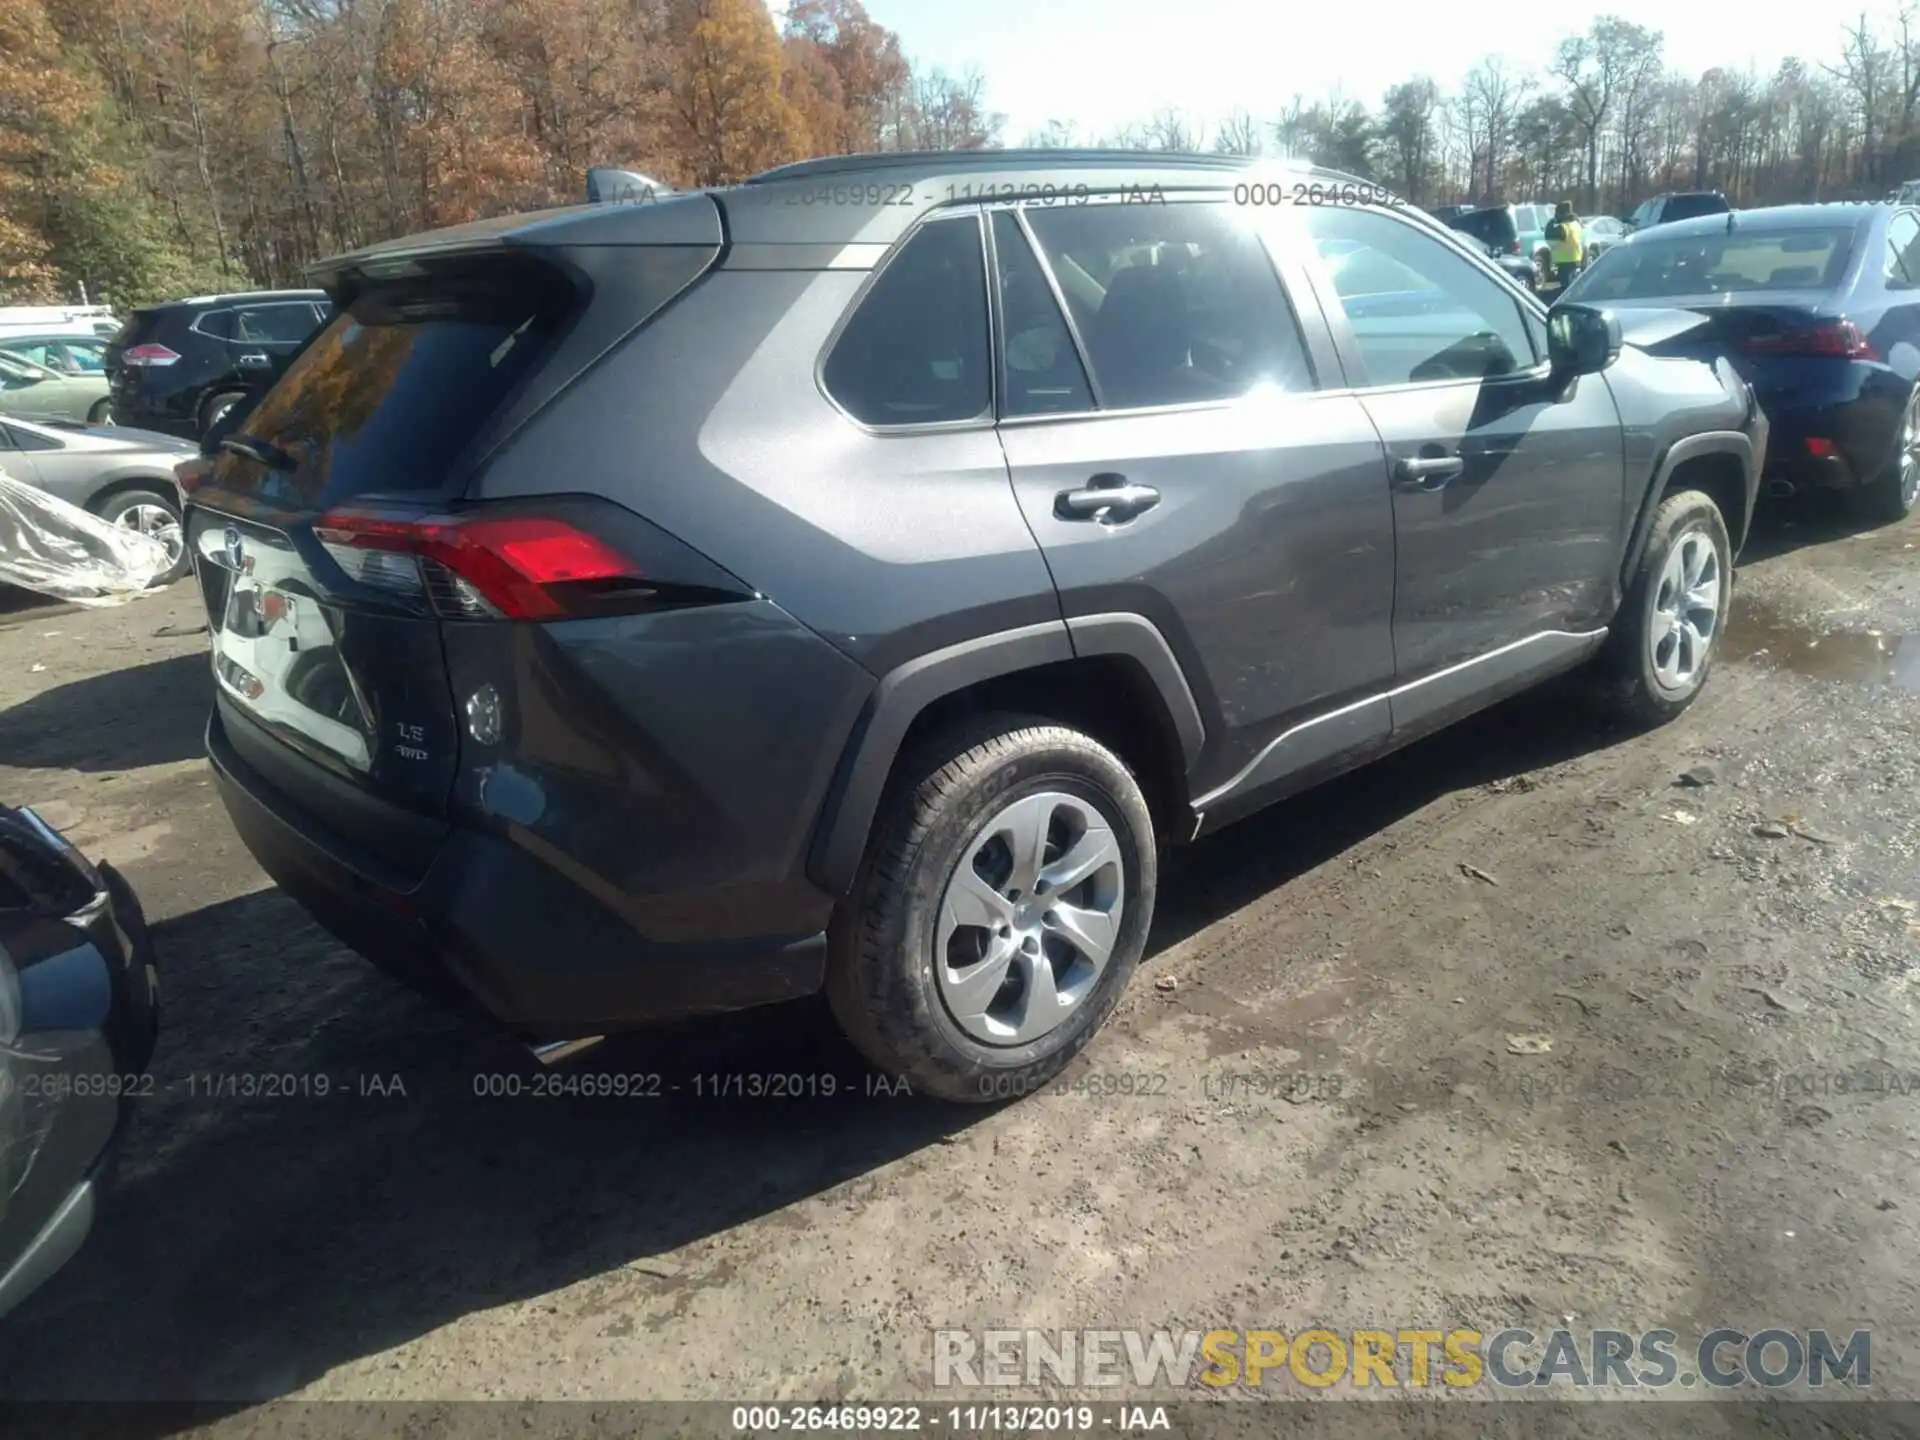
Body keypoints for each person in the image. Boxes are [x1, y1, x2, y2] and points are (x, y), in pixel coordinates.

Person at [1545, 200, 1585, 289]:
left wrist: (1551, 222)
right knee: (1573, 286)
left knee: (1566, 288)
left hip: (1564, 262)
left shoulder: (1562, 228)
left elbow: (1549, 239)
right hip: (1576, 258)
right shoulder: (1576, 224)